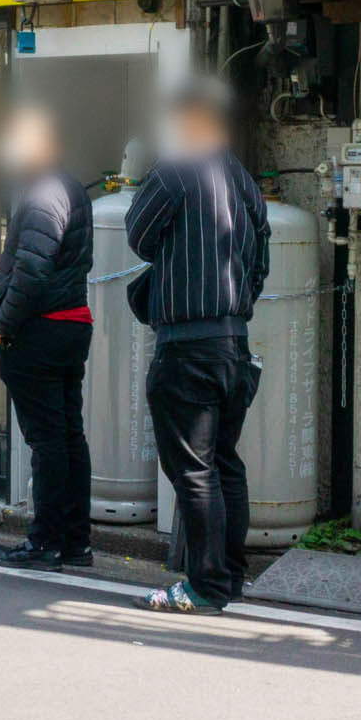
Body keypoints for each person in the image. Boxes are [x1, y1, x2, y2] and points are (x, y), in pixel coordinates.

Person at [126, 75, 269, 614]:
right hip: (235, 343)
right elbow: (261, 261)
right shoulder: (241, 177)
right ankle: (228, 577)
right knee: (225, 463)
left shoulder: (175, 168)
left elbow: (138, 234)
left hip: (186, 345)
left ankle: (204, 586)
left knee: (194, 468)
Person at [0, 102, 96, 570]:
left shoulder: (44, 193)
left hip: (40, 331)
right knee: (68, 437)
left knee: (48, 442)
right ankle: (76, 542)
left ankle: (45, 542)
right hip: (69, 327)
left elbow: (31, 268)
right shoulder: (68, 187)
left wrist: (3, 325)